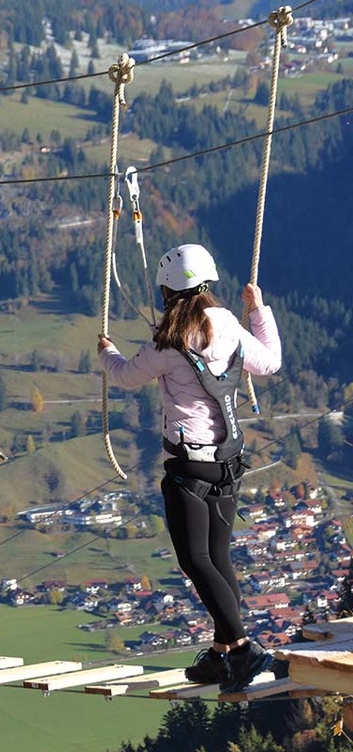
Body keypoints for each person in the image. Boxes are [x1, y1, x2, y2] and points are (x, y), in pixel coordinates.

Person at [98, 243, 282, 692]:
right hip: (227, 464)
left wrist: (107, 350)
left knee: (195, 559)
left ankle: (240, 649)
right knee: (218, 558)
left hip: (188, 466)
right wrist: (259, 311)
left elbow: (123, 375)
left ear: (167, 292)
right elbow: (270, 362)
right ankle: (222, 654)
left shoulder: (168, 343)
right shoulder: (230, 326)